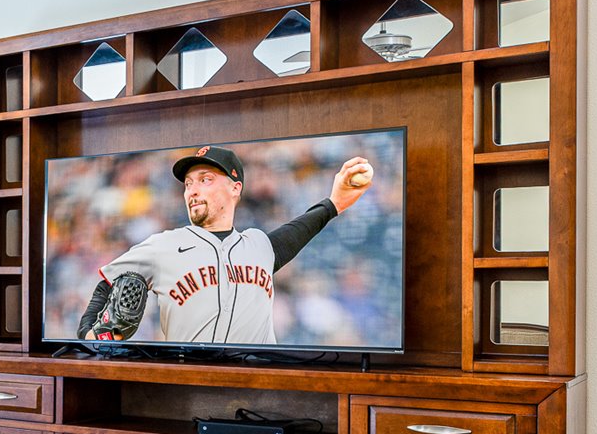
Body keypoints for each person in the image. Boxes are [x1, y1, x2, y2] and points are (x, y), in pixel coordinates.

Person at [76, 145, 375, 345]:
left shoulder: (259, 245)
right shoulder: (163, 246)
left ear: (235, 188)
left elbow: (296, 231)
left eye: (205, 180)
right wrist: (88, 337)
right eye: (188, 184)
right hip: (187, 387)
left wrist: (335, 202)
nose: (192, 190)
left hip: (261, 386)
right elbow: (105, 286)